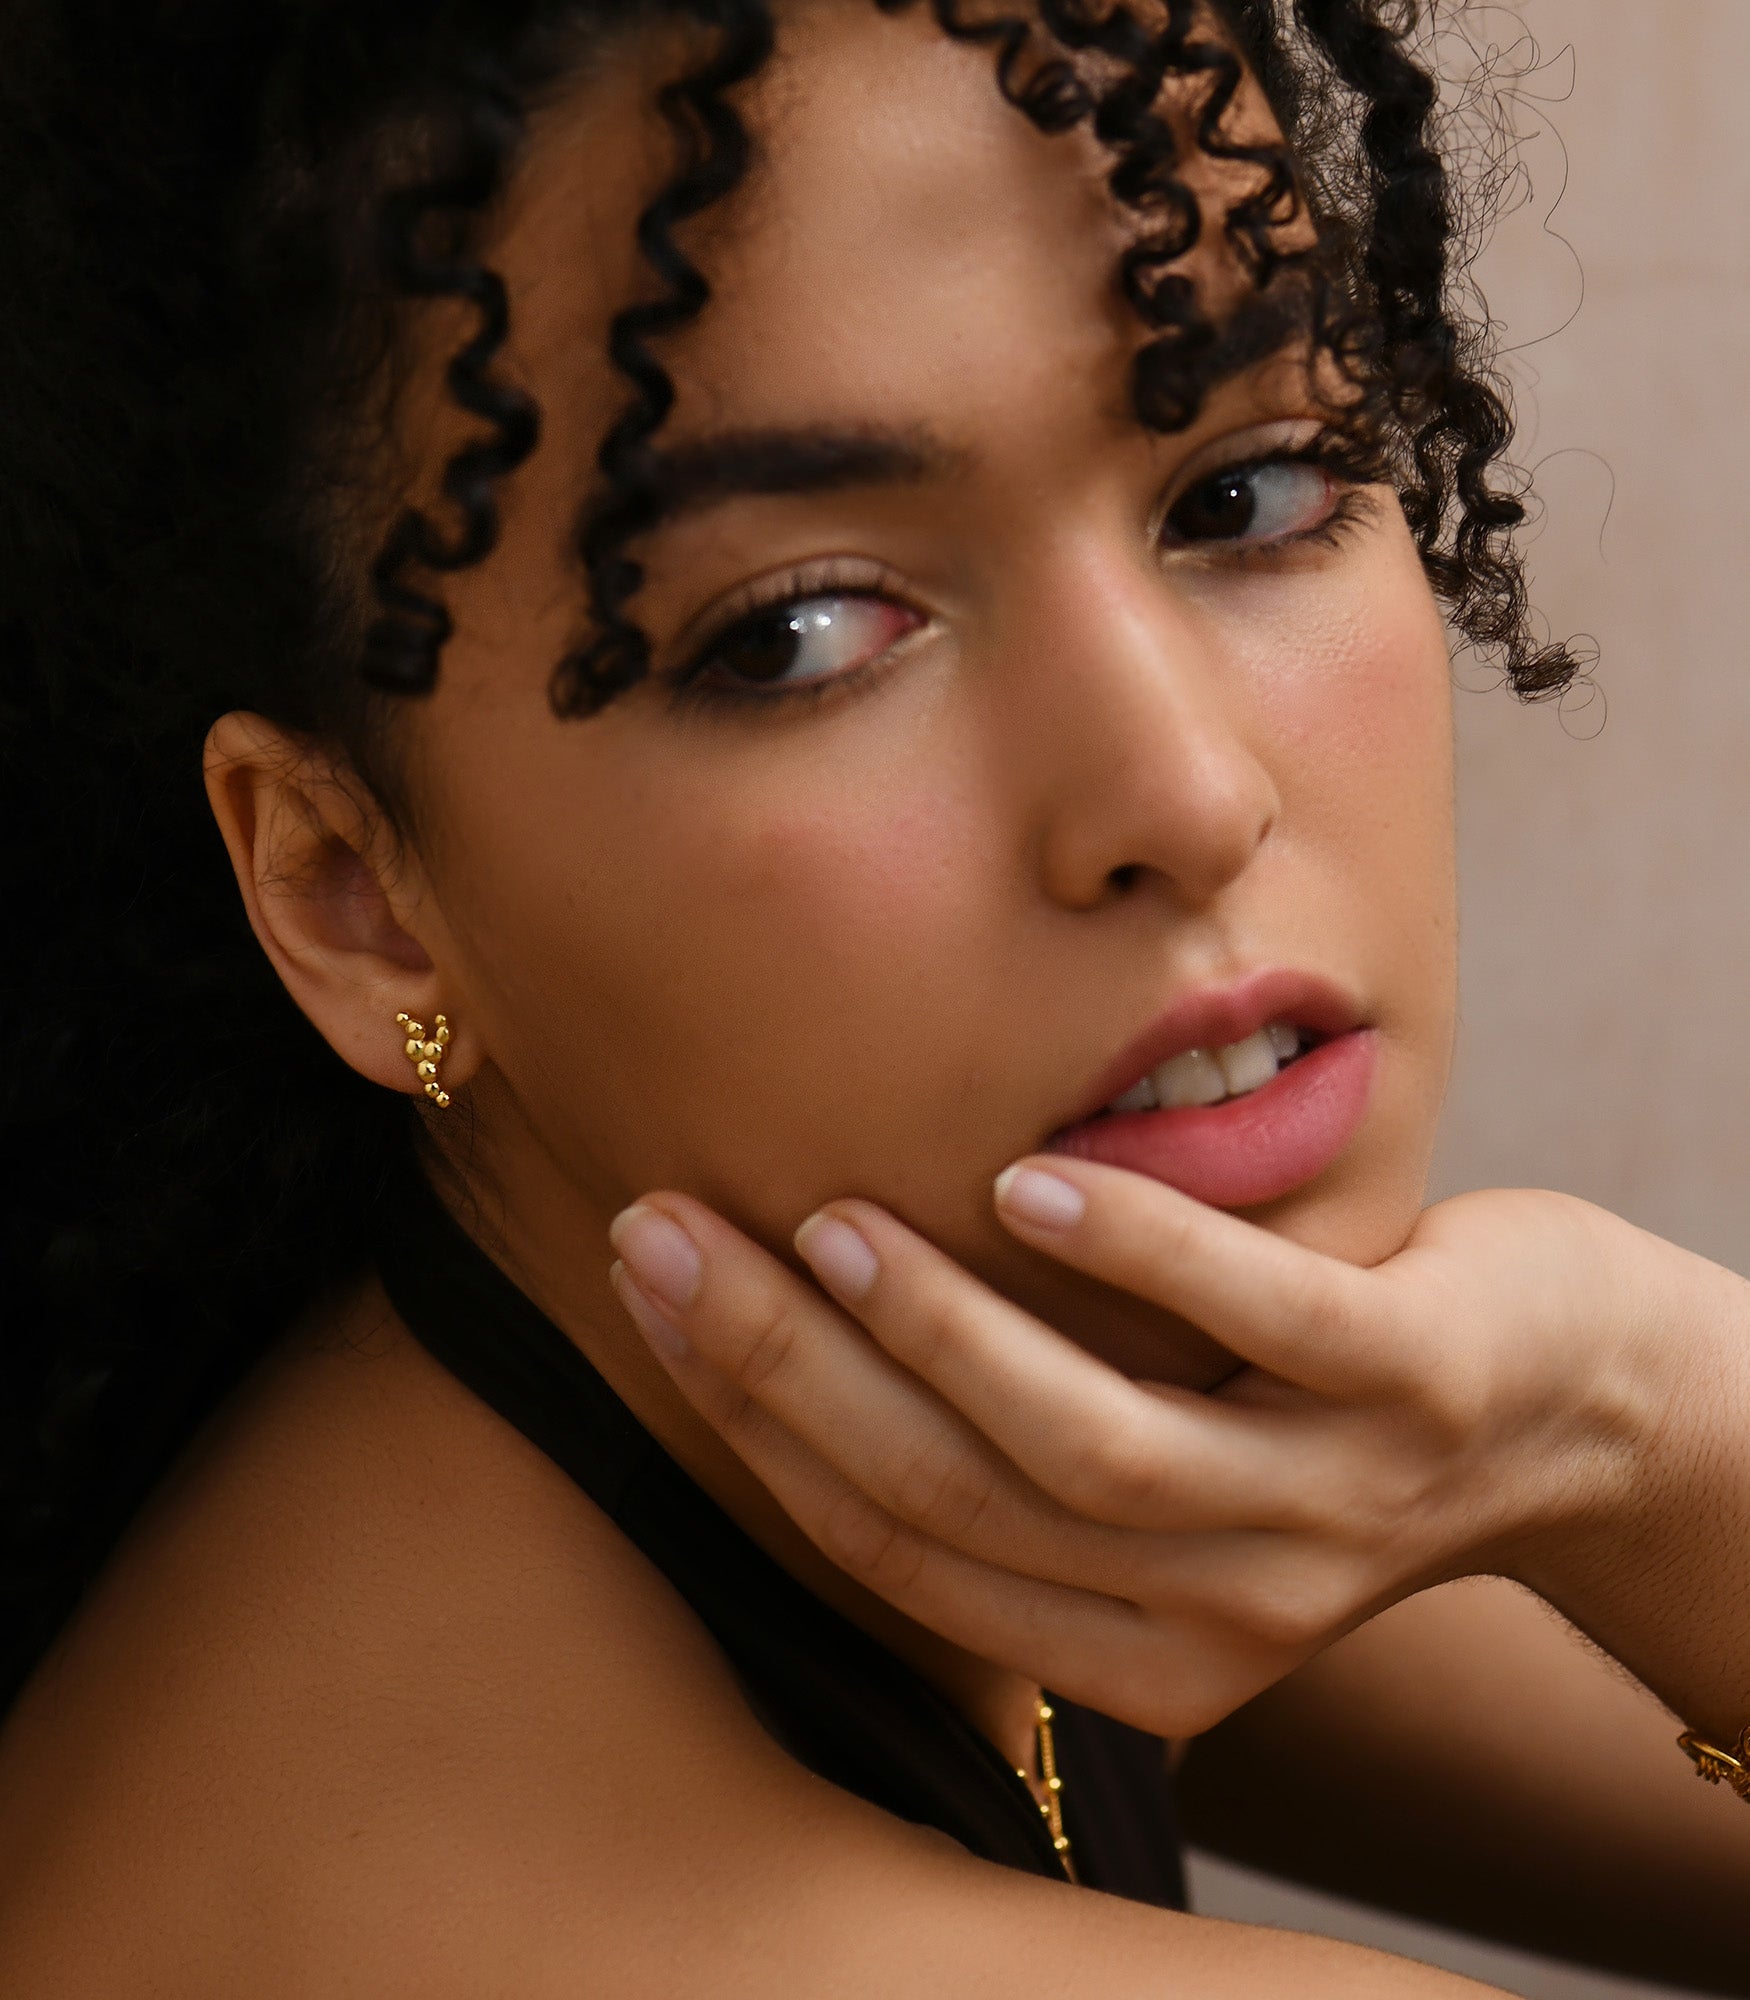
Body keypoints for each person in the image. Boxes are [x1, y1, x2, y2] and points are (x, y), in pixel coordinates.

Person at [4, 0, 1739, 1992]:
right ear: (352, 893)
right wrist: (1635, 1426)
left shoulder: (824, 1420)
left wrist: (1621, 1419)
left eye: (1244, 492)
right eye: (806, 629)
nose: (1180, 791)